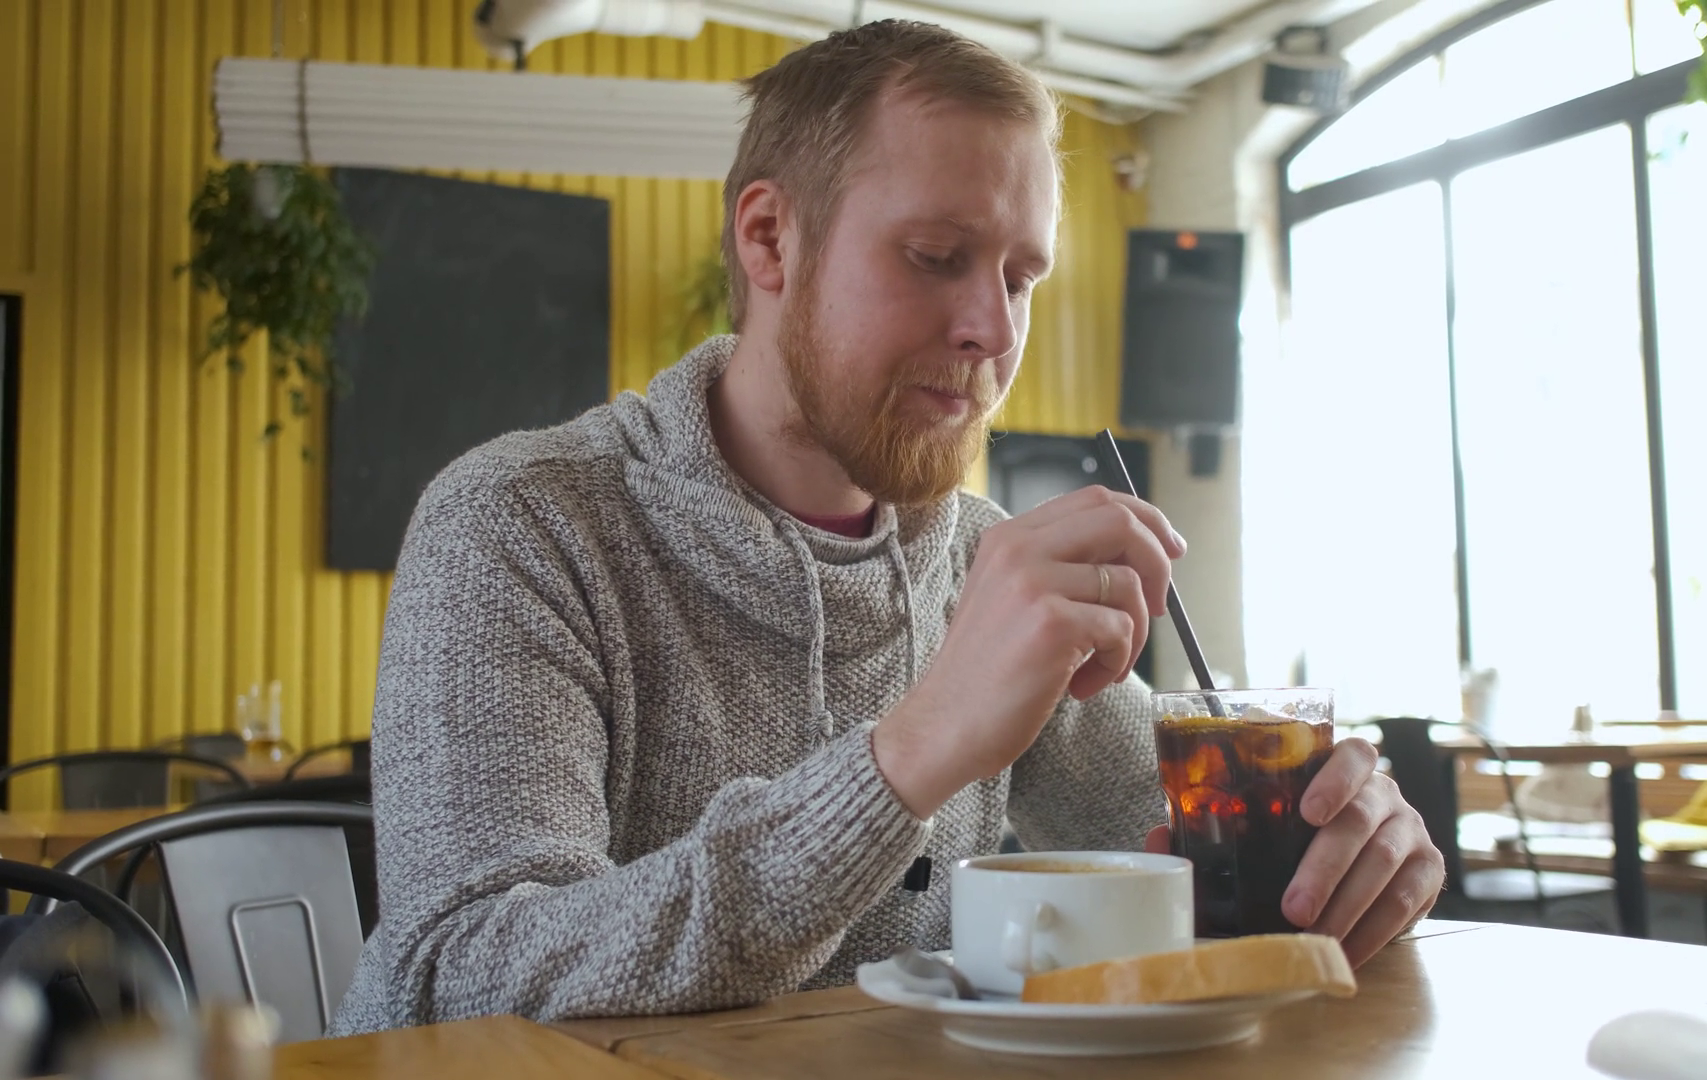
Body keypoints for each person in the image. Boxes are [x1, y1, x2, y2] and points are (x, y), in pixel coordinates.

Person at [330, 19, 1442, 1034]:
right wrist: (908, 754)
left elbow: (1183, 854)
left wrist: (1340, 851)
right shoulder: (523, 523)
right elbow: (457, 977)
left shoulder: (976, 560)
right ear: (770, 239)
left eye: (1022, 277)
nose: (991, 329)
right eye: (935, 257)